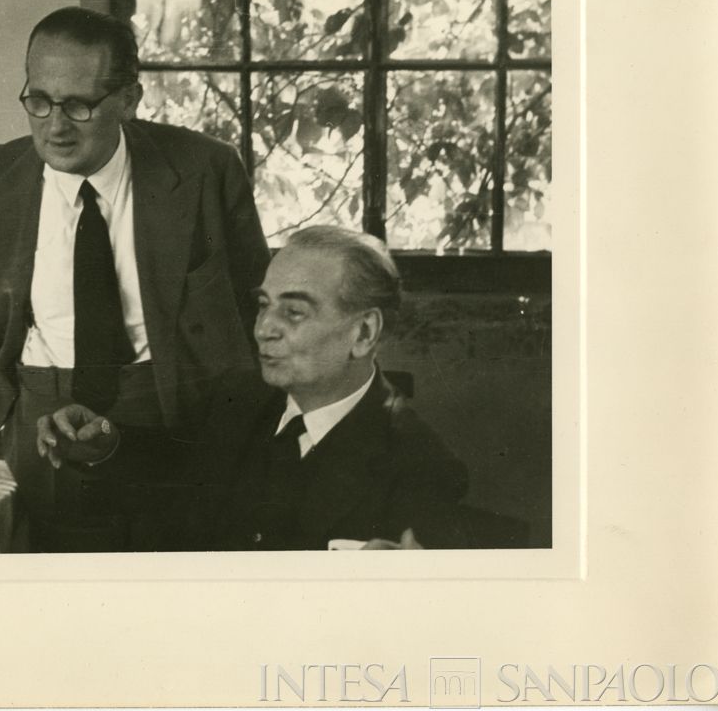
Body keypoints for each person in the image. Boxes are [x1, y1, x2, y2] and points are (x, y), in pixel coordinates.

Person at [0, 6, 270, 548]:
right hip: (41, 417)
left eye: (79, 105)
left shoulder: (205, 171)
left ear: (129, 100)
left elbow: (253, 300)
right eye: (39, 100)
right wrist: (8, 415)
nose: (55, 125)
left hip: (177, 414)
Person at [40, 226, 490, 551]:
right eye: (263, 306)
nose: (263, 330)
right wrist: (104, 442)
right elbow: (176, 459)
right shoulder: (240, 396)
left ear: (364, 333)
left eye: (294, 312)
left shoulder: (421, 468)